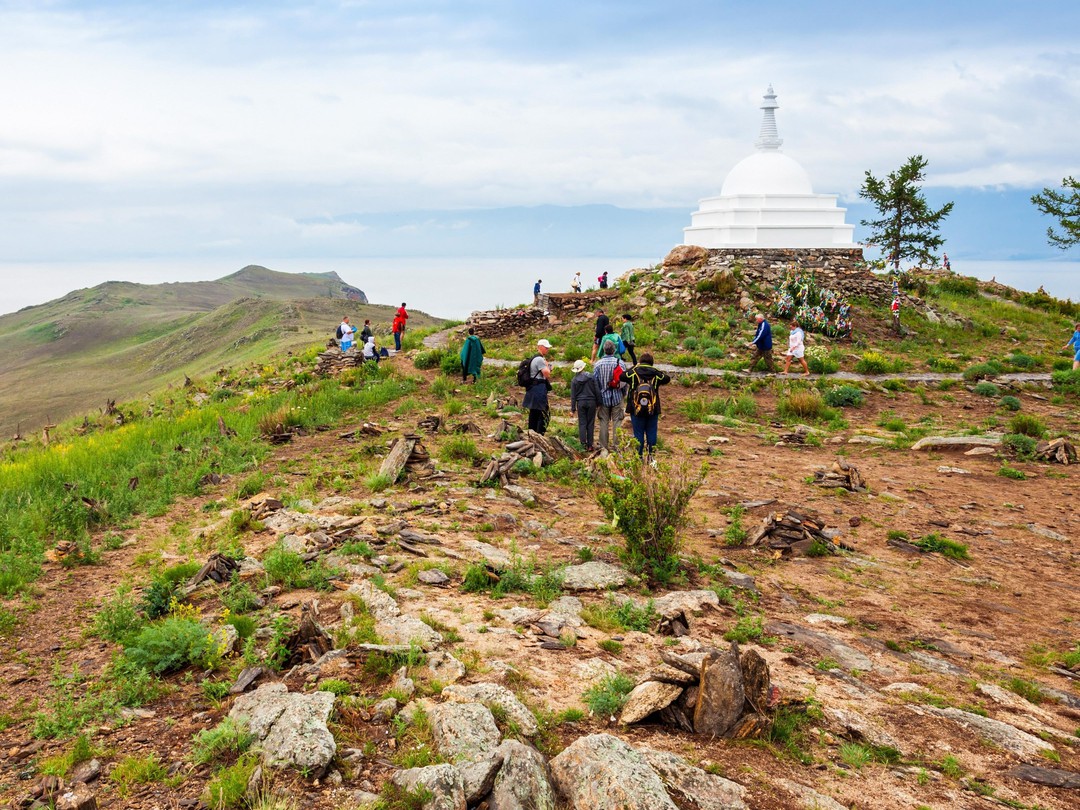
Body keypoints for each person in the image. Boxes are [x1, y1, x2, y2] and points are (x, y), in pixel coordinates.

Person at [624, 352, 671, 460]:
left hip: (636, 408)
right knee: (652, 432)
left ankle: (638, 457)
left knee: (638, 432)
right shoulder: (655, 374)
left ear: (640, 361)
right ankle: (651, 457)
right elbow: (667, 378)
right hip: (652, 408)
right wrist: (655, 370)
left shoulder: (634, 372)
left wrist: (634, 366)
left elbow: (622, 376)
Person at [593, 341, 625, 452]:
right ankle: (617, 446)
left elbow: (595, 382)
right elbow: (625, 381)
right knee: (617, 421)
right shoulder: (620, 363)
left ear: (604, 350)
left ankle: (603, 446)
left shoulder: (598, 364)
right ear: (614, 350)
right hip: (617, 396)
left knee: (603, 421)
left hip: (603, 397)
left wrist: (598, 397)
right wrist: (623, 394)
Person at [521, 338, 553, 434]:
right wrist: (549, 367)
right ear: (540, 347)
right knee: (541, 412)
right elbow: (547, 374)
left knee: (534, 412)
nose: (547, 349)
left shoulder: (534, 358)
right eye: (546, 348)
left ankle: (532, 432)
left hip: (533, 388)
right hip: (538, 388)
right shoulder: (539, 359)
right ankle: (539, 433)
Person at [569, 359, 602, 452]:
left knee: (582, 423)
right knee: (590, 424)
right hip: (592, 402)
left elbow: (573, 396)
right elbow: (597, 390)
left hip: (581, 403)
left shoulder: (574, 380)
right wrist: (599, 403)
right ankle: (590, 445)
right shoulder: (591, 377)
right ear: (583, 367)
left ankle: (583, 445)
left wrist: (572, 409)